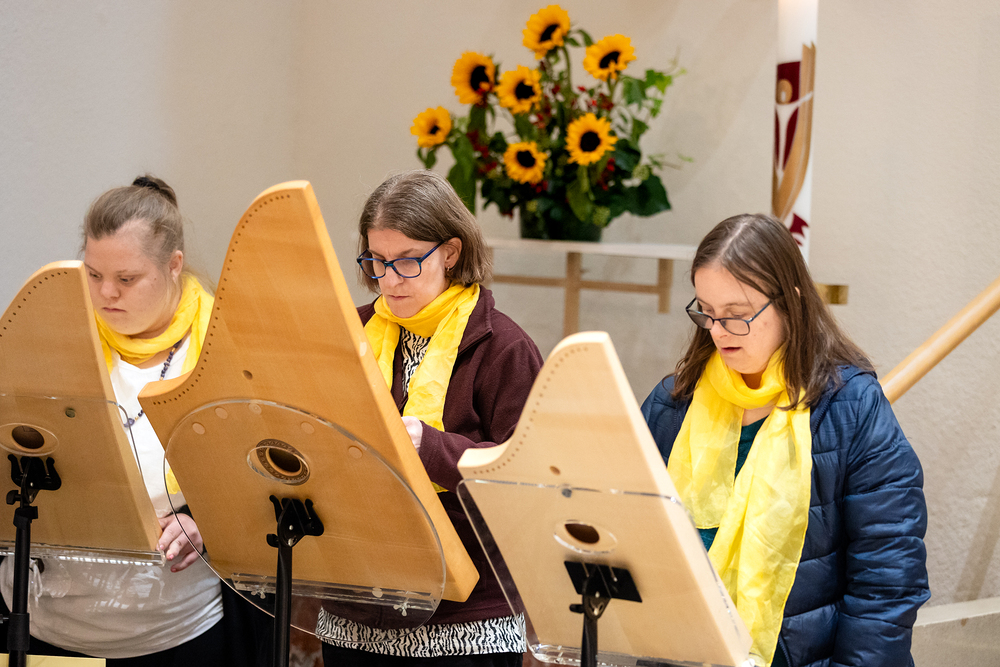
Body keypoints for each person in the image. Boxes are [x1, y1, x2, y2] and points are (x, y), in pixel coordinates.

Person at [641, 214, 929, 667]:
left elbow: (888, 579)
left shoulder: (852, 407)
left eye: (737, 315)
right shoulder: (673, 402)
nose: (717, 331)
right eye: (706, 311)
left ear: (790, 303)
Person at [0, 175, 266, 665]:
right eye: (93, 274)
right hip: (44, 626)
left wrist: (206, 522)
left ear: (173, 265)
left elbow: (262, 481)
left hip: (170, 631)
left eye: (126, 279)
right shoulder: (55, 336)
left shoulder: (224, 350)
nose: (106, 293)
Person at [317, 170, 543, 666]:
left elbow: (530, 478)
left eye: (407, 260)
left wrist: (431, 446)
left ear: (451, 253)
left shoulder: (505, 348)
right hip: (355, 601)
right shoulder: (351, 331)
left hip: (465, 620)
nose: (388, 279)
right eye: (376, 261)